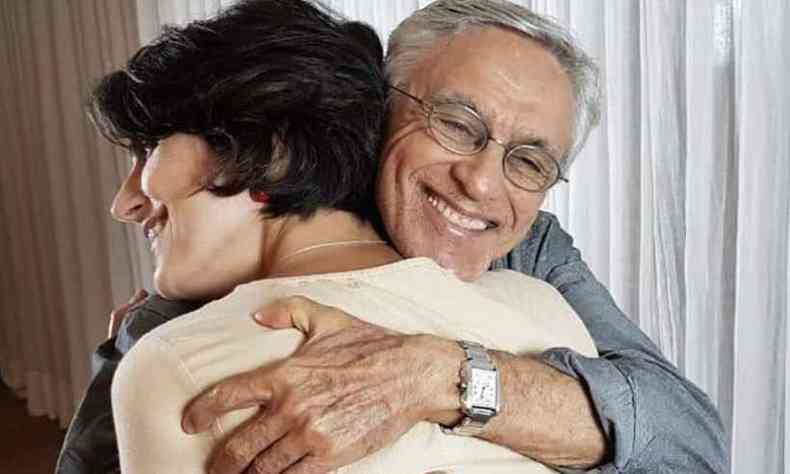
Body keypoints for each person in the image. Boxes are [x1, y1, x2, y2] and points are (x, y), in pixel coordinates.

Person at [57, 0, 728, 473]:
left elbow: (688, 447)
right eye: (457, 125)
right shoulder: (234, 245)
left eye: (529, 161)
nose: (482, 184)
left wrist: (442, 376)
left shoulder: (533, 256)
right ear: (382, 106)